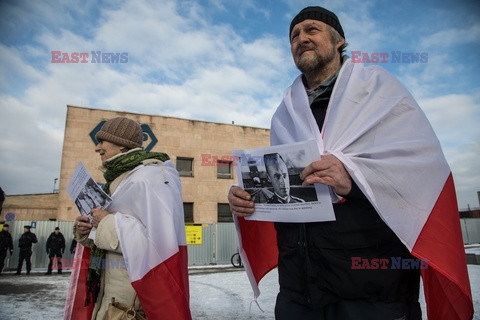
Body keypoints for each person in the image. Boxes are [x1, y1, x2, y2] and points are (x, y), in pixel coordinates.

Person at [228, 6, 472, 320]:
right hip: (298, 293)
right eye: (294, 35)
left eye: (312, 29)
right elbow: (288, 193)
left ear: (339, 39)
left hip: (373, 293)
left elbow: (422, 171)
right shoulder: (284, 112)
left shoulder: (378, 91)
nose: (302, 38)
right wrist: (250, 199)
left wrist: (352, 179)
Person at [67, 117, 191, 320]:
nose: (97, 148)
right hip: (109, 290)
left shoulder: (149, 177)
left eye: (102, 142)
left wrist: (105, 222)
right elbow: (114, 235)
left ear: (121, 143)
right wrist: (86, 230)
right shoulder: (119, 177)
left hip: (133, 297)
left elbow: (159, 245)